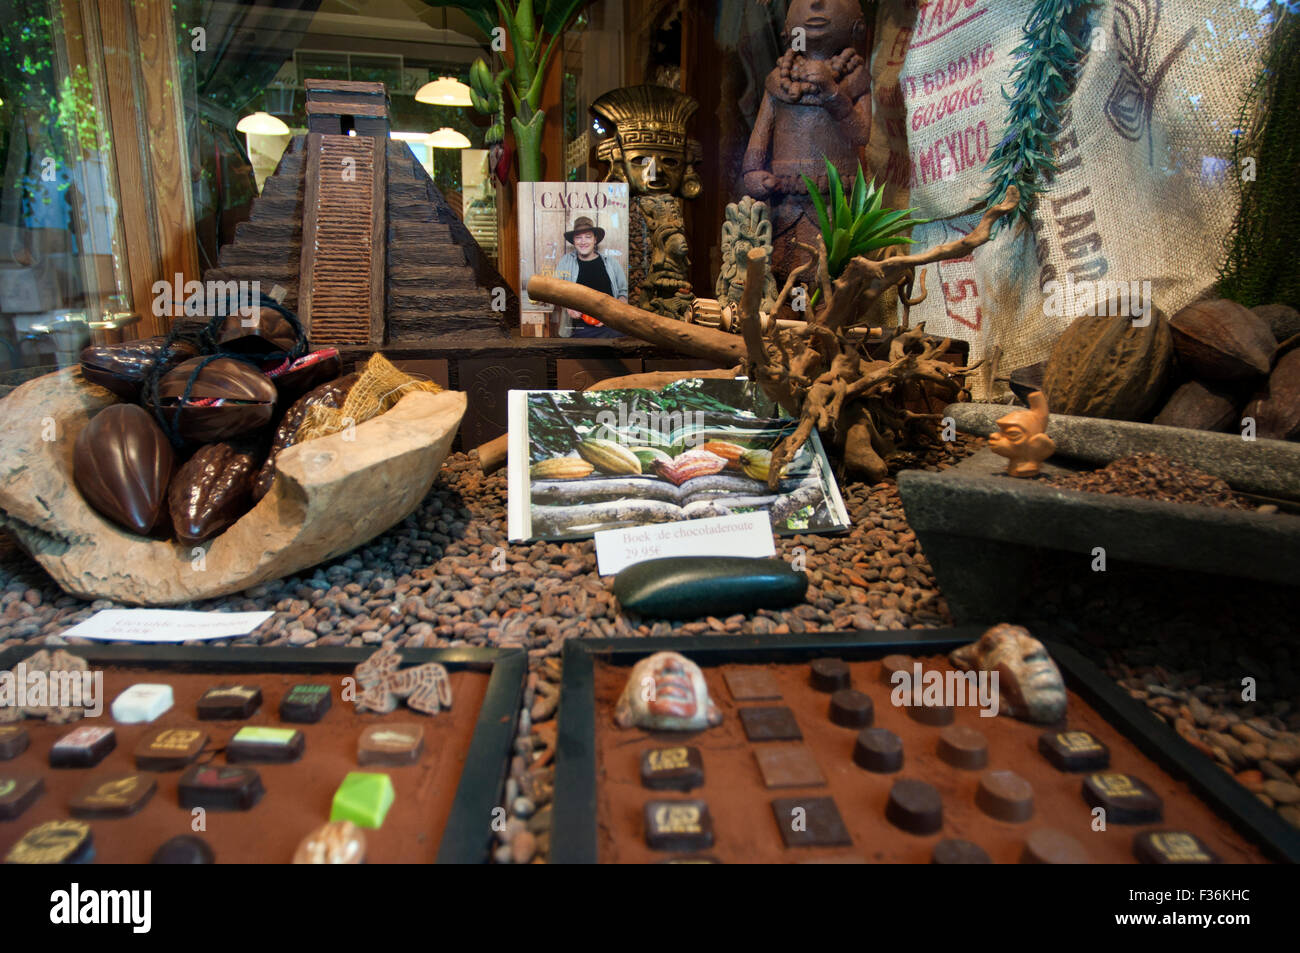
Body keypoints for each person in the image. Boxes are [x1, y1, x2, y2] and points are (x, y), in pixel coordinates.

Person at [554, 216, 628, 338]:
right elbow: (556, 291)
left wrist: (610, 315)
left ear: (595, 239)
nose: (583, 242)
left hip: (611, 326)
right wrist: (568, 307)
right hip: (578, 328)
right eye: (578, 237)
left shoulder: (611, 263)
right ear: (574, 241)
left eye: (588, 237)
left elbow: (623, 295)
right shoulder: (566, 262)